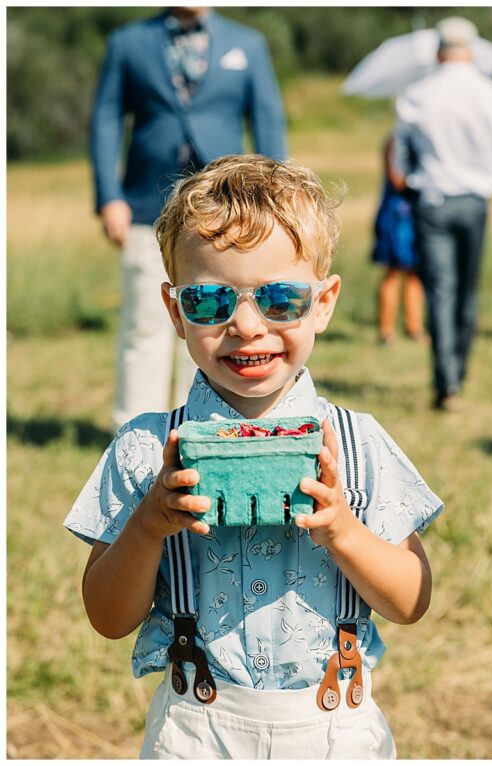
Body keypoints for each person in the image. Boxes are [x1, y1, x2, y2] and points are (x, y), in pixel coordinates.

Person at [65, 155, 442, 758]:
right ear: (174, 311)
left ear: (323, 302)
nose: (246, 325)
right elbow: (107, 617)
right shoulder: (145, 449)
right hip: (196, 725)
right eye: (210, 301)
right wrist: (148, 526)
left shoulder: (358, 443)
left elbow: (411, 599)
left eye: (280, 299)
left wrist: (343, 530)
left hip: (333, 727)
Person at [91, 6, 287, 431]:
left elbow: (268, 124)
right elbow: (106, 119)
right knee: (146, 320)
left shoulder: (247, 43)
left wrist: (272, 201)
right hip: (146, 204)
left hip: (226, 213)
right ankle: (135, 431)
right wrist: (110, 196)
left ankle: (204, 423)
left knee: (212, 321)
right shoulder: (127, 43)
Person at [392, 16, 492, 410]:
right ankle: (458, 369)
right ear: (471, 50)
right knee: (468, 291)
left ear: (438, 50)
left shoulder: (417, 94)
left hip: (434, 201)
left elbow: (401, 156)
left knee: (440, 291)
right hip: (475, 201)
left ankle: (448, 383)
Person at [372, 136, 425, 345]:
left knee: (415, 274)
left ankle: (415, 327)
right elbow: (397, 179)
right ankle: (386, 332)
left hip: (415, 215)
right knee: (393, 272)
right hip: (397, 217)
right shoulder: (395, 142)